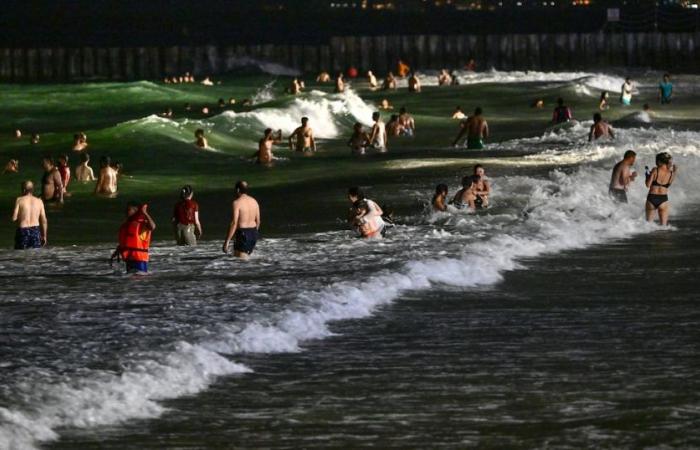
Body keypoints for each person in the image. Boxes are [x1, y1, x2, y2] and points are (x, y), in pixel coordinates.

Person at [111, 201, 156, 274]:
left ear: (135, 211)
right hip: (129, 258)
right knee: (130, 281)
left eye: (128, 210)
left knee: (139, 279)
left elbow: (153, 226)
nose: (125, 212)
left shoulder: (142, 224)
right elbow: (126, 242)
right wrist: (117, 251)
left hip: (139, 259)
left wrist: (145, 213)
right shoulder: (126, 225)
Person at [222, 181, 260, 259]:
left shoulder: (237, 203)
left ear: (238, 190)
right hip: (253, 234)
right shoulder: (254, 201)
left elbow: (234, 223)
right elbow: (258, 221)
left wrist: (227, 242)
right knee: (245, 260)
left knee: (240, 263)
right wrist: (253, 235)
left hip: (243, 234)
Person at [12, 181, 47, 249]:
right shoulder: (39, 201)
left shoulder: (19, 200)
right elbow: (44, 220)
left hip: (23, 230)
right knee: (35, 254)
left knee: (21, 253)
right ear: (32, 189)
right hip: (35, 230)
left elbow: (14, 218)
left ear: (24, 190)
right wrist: (44, 236)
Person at [645, 152, 677, 226]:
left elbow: (648, 185)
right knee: (664, 227)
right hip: (663, 199)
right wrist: (675, 171)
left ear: (659, 161)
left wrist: (647, 176)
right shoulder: (672, 173)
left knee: (648, 226)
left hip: (652, 198)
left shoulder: (655, 170)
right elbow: (668, 185)